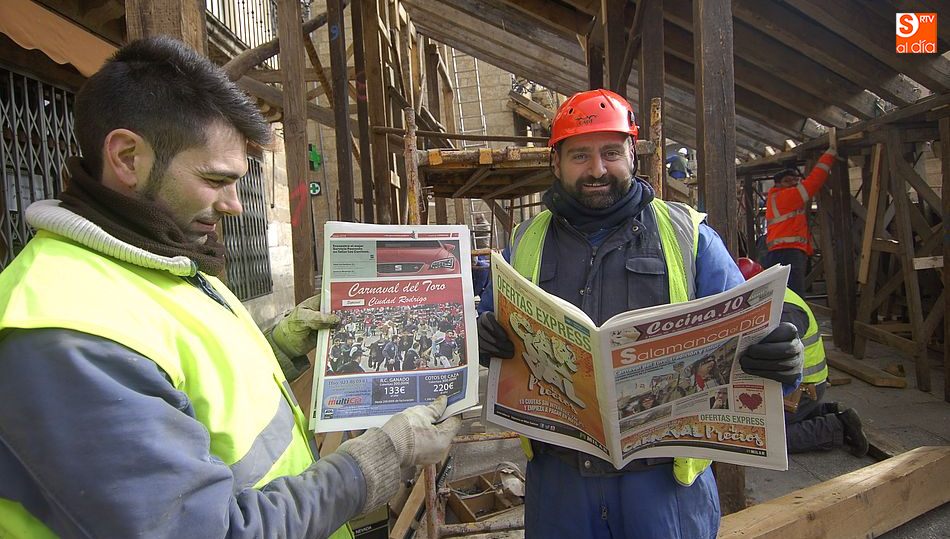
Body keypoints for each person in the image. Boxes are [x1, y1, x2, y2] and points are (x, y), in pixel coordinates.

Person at [0, 37, 460, 539]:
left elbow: (195, 397)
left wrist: (282, 349)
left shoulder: (162, 262)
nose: (235, 205)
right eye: (215, 179)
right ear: (128, 157)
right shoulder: (63, 333)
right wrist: (369, 465)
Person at [476, 89, 804, 539]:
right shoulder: (523, 241)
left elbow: (753, 332)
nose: (597, 169)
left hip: (663, 491)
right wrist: (484, 340)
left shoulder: (689, 237)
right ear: (556, 163)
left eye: (611, 152)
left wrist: (781, 359)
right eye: (580, 156)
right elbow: (492, 331)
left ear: (633, 153)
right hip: (560, 488)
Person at [738, 257, 868, 457]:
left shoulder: (785, 310)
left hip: (802, 389)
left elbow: (779, 346)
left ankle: (835, 427)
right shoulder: (778, 295)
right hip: (803, 388)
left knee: (752, 437)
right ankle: (826, 411)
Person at [762, 132, 837, 295]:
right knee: (795, 295)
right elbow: (814, 182)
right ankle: (795, 320)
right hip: (789, 252)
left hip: (779, 252)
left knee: (779, 295)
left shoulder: (774, 197)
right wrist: (830, 154)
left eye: (796, 179)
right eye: (788, 180)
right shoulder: (787, 196)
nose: (794, 183)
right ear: (778, 184)